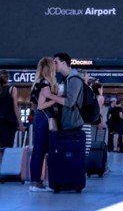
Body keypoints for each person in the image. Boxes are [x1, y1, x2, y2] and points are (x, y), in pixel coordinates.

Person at [29, 57, 57, 192]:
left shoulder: (36, 83)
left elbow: (35, 105)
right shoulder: (46, 83)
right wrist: (56, 99)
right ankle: (36, 183)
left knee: (37, 151)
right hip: (45, 118)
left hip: (38, 118)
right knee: (41, 151)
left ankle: (34, 181)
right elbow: (41, 105)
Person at [42, 53, 84, 132]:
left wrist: (49, 95)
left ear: (64, 63)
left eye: (56, 62)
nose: (53, 65)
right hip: (65, 124)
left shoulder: (74, 79)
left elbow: (70, 102)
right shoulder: (64, 79)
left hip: (72, 126)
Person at [0, 69, 25, 148]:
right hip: (9, 121)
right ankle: (5, 160)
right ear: (8, 77)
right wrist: (20, 123)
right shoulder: (12, 89)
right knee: (7, 146)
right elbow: (15, 107)